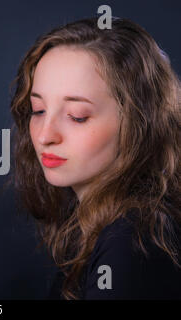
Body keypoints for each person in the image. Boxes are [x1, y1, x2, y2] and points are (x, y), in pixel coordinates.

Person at [10, 17, 180, 299]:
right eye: (38, 110)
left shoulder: (131, 240)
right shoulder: (109, 224)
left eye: (77, 117)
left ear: (138, 122)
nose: (44, 136)